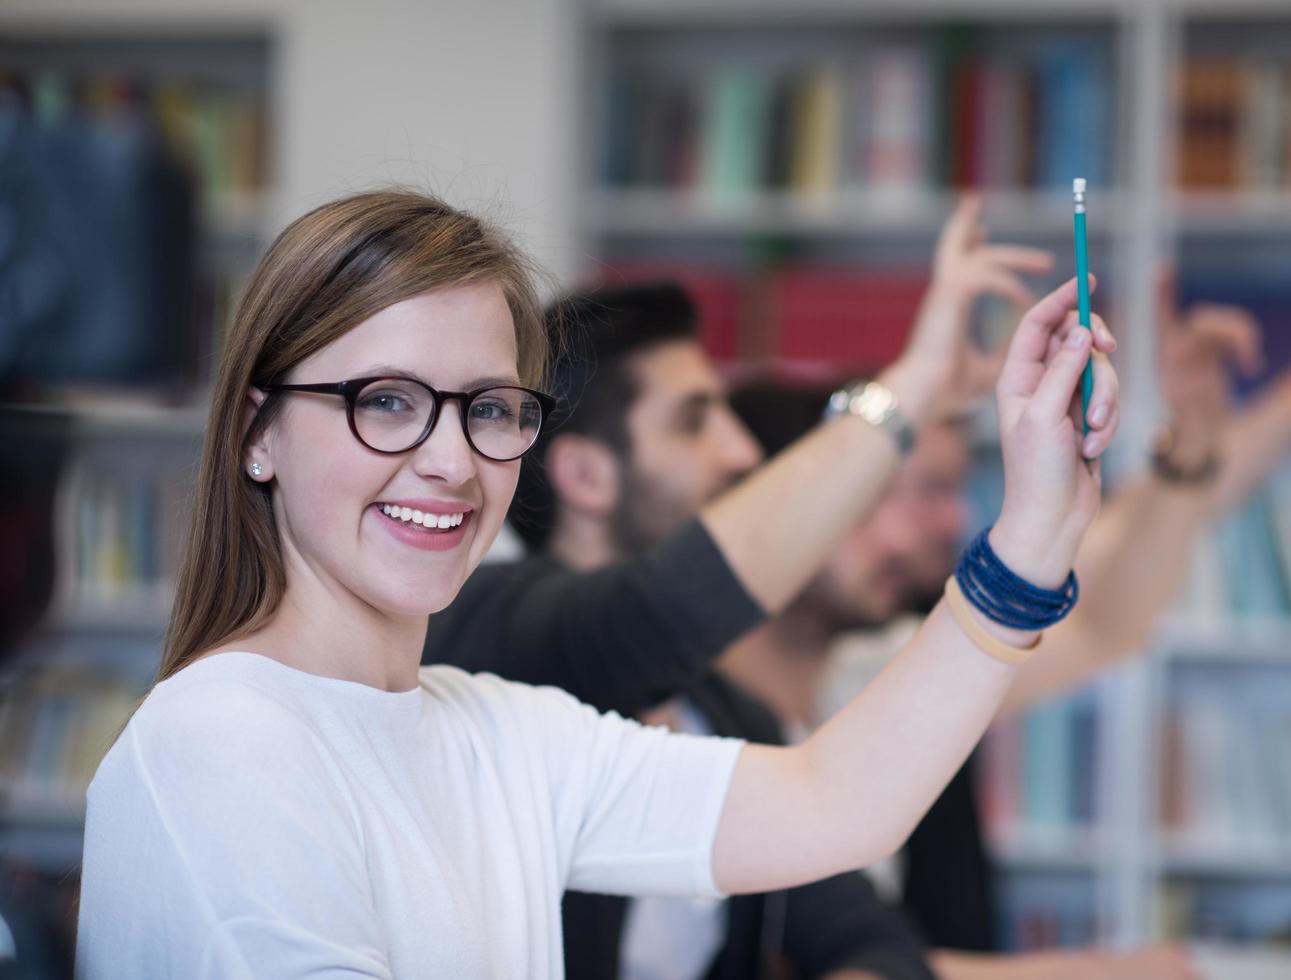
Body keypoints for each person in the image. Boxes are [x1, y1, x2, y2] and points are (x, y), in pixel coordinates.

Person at [75, 188, 1120, 979]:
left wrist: (1030, 531)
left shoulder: (498, 732)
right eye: (385, 400)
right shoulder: (218, 742)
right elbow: (666, 613)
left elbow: (833, 799)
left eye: (488, 408)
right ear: (258, 430)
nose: (449, 459)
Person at [423, 199, 1082, 978]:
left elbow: (865, 928)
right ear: (587, 474)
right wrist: (916, 386)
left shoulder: (729, 712)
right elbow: (656, 611)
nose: (740, 454)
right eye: (695, 422)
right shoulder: (490, 633)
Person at [716, 254, 1291, 979]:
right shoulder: (685, 721)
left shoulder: (871, 665)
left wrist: (1251, 419)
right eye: (914, 490)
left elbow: (1103, 613)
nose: (945, 521)